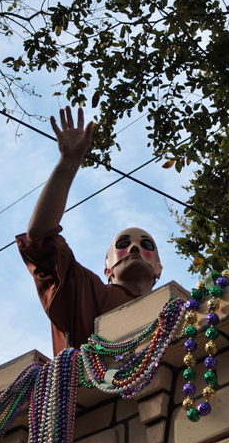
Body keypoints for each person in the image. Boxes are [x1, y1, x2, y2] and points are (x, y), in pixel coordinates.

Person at [16, 106, 163, 355]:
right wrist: (68, 164)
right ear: (107, 268)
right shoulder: (88, 292)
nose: (134, 247)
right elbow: (40, 236)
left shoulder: (178, 308)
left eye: (146, 245)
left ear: (158, 269)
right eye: (123, 243)